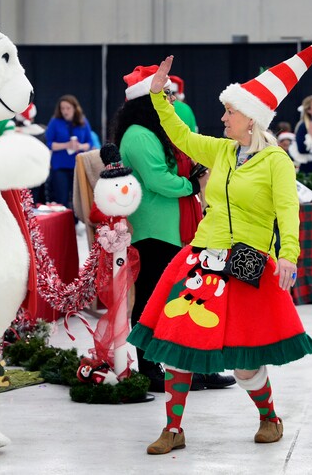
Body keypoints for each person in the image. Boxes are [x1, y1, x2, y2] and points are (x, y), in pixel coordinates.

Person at [128, 33, 312, 455]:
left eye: (229, 112)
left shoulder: (276, 161)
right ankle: (173, 428)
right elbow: (180, 135)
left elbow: (288, 211)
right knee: (178, 345)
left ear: (251, 119)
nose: (222, 118)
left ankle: (269, 417)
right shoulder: (222, 151)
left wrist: (288, 256)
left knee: (245, 361)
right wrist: (158, 97)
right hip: (201, 257)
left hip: (247, 261)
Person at [110, 64, 234, 393]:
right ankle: (151, 367)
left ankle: (195, 366)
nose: (170, 100)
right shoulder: (139, 135)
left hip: (174, 226)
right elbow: (157, 180)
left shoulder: (156, 130)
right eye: (163, 95)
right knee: (154, 300)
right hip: (153, 229)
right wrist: (189, 184)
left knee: (189, 298)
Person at [45, 94, 94, 210]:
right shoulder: (55, 122)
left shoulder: (83, 121)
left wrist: (80, 146)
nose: (65, 111)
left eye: (68, 108)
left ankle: (75, 224)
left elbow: (90, 142)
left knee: (77, 199)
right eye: (62, 108)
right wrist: (66, 145)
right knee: (61, 198)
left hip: (77, 166)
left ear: (74, 108)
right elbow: (49, 143)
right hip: (60, 166)